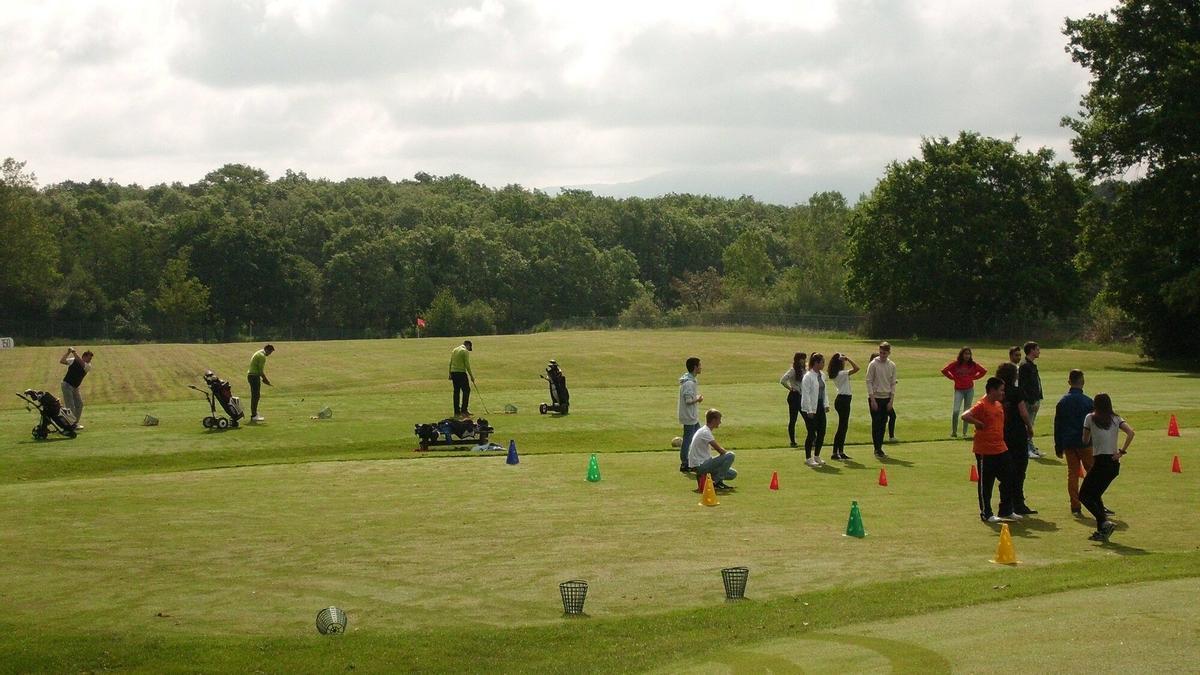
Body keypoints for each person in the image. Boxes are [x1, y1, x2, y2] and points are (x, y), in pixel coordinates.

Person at [1080, 393, 1134, 541]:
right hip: (1113, 463)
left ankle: (1104, 522)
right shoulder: (1116, 419)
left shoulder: (1090, 418)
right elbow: (1131, 432)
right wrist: (1121, 452)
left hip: (1100, 461)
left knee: (1084, 495)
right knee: (1095, 495)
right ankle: (1102, 530)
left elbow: (1085, 440)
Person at [961, 377, 1015, 523]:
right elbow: (965, 415)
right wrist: (978, 422)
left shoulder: (998, 405)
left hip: (1000, 447)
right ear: (992, 390)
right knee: (986, 482)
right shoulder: (982, 404)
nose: (1003, 393)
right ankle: (986, 513)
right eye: (1001, 390)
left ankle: (1006, 509)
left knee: (1010, 475)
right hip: (985, 450)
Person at [1053, 369, 1095, 515]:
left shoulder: (1062, 402)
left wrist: (1058, 446)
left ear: (1069, 382)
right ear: (1082, 382)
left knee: (1073, 473)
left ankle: (1075, 505)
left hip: (1069, 443)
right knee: (1093, 472)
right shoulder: (1089, 401)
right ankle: (1094, 500)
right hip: (1085, 442)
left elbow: (1058, 425)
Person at [996, 362, 1035, 517]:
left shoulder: (999, 392)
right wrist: (1030, 427)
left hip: (1002, 433)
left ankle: (1007, 502)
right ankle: (1018, 502)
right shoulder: (1017, 392)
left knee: (1006, 469)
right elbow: (1023, 413)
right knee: (1020, 469)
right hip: (1017, 433)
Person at [941, 347, 987, 438]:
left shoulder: (973, 365)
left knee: (967, 412)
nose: (967, 356)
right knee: (956, 411)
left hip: (969, 390)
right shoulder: (956, 364)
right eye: (965, 354)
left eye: (969, 354)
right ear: (961, 355)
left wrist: (975, 377)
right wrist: (952, 377)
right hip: (959, 390)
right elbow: (944, 370)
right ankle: (954, 432)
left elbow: (983, 371)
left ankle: (964, 433)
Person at [688, 408, 735, 491]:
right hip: (700, 465)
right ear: (713, 420)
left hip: (701, 464)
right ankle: (717, 482)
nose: (720, 422)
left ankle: (707, 478)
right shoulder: (705, 432)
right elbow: (720, 450)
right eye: (719, 420)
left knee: (732, 474)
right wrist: (724, 456)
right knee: (730, 455)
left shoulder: (704, 430)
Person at [865, 342, 896, 458]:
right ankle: (876, 448)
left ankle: (880, 447)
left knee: (883, 423)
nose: (882, 355)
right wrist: (872, 399)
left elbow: (893, 383)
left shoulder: (892, 365)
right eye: (881, 352)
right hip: (875, 397)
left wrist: (891, 400)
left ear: (889, 353)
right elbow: (868, 381)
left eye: (885, 353)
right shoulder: (873, 364)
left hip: (886, 397)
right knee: (876, 423)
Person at [800, 353, 830, 467]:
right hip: (810, 407)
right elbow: (806, 394)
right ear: (816, 363)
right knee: (811, 433)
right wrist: (809, 410)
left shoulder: (822, 375)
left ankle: (817, 455)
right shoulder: (808, 376)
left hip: (820, 406)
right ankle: (808, 457)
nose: (823, 364)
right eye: (822, 362)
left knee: (822, 431)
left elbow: (824, 391)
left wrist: (826, 404)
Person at [828, 352, 859, 460]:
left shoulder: (837, 373)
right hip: (843, 400)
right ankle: (836, 452)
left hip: (842, 400)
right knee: (842, 427)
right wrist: (848, 358)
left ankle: (840, 451)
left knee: (843, 426)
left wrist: (843, 359)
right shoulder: (841, 373)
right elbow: (856, 368)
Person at [677, 357, 704, 473]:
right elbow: (688, 401)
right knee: (689, 439)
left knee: (699, 436)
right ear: (695, 367)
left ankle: (696, 460)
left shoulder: (690, 380)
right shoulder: (689, 383)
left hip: (692, 416)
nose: (701, 367)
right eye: (699, 365)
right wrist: (697, 399)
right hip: (689, 416)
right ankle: (684, 463)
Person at [1019, 341, 1045, 458]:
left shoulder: (1031, 365)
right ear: (1031, 350)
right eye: (1037, 349)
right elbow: (1023, 386)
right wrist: (1030, 400)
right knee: (1027, 425)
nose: (1039, 351)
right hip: (1030, 402)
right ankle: (1027, 449)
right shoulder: (1025, 366)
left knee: (1030, 424)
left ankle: (1031, 447)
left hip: (1035, 400)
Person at [59, 347, 93, 429]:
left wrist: (73, 351)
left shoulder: (88, 366)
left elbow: (81, 363)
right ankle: (70, 424)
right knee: (70, 406)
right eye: (89, 358)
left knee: (79, 405)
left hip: (75, 387)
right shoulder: (73, 360)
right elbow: (62, 361)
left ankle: (75, 423)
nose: (90, 360)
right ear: (84, 356)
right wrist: (68, 353)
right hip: (66, 385)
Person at [779, 352, 806, 448]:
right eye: (802, 359)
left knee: (807, 418)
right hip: (794, 396)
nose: (803, 361)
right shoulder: (793, 370)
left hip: (802, 396)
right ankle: (792, 441)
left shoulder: (805, 370)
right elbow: (782, 380)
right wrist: (791, 388)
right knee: (793, 419)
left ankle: (813, 438)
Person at [246, 344, 274, 422]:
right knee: (256, 396)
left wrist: (264, 379)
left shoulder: (259, 352)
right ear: (267, 350)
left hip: (252, 376)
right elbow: (260, 371)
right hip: (254, 376)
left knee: (255, 395)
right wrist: (266, 380)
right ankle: (254, 415)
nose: (270, 354)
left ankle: (254, 414)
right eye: (270, 352)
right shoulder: (262, 356)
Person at [449, 340, 475, 418]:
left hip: (453, 372)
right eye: (470, 347)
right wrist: (471, 376)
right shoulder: (465, 351)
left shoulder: (455, 350)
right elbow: (467, 364)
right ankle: (464, 410)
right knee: (466, 390)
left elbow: (450, 362)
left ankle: (457, 411)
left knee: (456, 392)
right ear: (468, 345)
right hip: (461, 373)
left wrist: (449, 373)